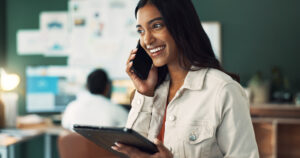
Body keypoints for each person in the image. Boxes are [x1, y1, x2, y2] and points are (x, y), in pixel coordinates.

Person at [111, 0, 259, 157]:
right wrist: (144, 93)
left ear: (181, 26)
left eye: (156, 26)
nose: (147, 40)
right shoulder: (153, 91)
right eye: (141, 31)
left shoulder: (223, 90)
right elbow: (129, 151)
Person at [62, 69, 128, 131]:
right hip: (103, 143)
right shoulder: (117, 110)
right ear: (107, 87)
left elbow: (65, 125)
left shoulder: (72, 106)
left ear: (87, 87)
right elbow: (129, 128)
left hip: (76, 143)